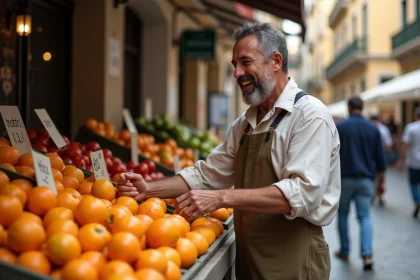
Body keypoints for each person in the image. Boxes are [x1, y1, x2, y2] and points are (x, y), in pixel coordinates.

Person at [117, 22, 341, 280]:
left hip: (294, 259)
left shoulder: (310, 117)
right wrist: (149, 189)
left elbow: (302, 194)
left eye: (245, 62)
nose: (237, 73)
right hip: (249, 259)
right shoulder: (245, 124)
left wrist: (222, 198)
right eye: (234, 64)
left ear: (276, 61)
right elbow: (207, 174)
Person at [335, 97, 387, 271]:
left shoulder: (340, 127)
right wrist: (382, 182)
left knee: (342, 214)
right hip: (366, 180)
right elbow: (380, 158)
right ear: (362, 108)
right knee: (364, 217)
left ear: (349, 108)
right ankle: (367, 254)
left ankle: (345, 250)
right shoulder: (373, 128)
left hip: (344, 179)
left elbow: (331, 154)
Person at [397, 107, 420, 218]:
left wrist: (400, 159)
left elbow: (405, 145)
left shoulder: (411, 128)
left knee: (413, 184)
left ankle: (417, 201)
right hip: (414, 161)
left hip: (414, 161)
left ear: (416, 116)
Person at [370, 115, 393, 206]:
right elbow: (388, 145)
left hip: (372, 158)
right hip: (381, 156)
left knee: (374, 177)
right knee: (381, 177)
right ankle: (379, 196)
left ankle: (374, 196)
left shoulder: (371, 129)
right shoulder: (384, 130)